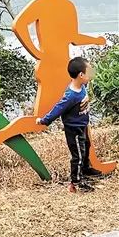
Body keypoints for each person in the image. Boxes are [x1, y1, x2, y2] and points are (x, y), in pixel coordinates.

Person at [36, 57, 102, 193]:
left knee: (86, 147)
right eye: (89, 71)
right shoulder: (70, 96)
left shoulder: (82, 86)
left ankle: (85, 169)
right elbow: (57, 109)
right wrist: (44, 120)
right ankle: (76, 182)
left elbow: (86, 94)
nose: (91, 73)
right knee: (78, 154)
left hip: (82, 125)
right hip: (74, 129)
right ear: (81, 75)